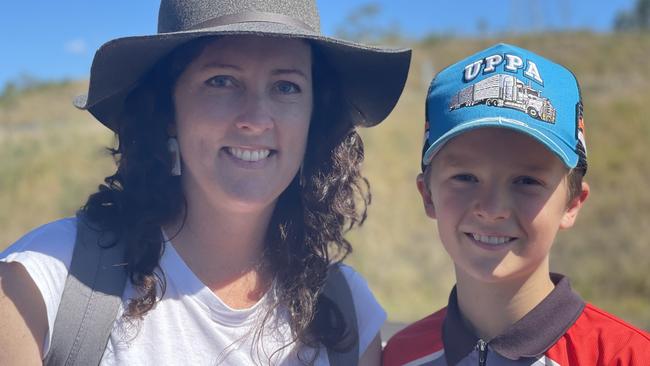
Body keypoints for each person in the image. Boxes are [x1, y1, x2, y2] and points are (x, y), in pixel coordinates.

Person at [0, 0, 411, 365]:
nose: (256, 117)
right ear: (166, 108)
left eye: (286, 86)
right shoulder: (42, 284)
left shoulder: (347, 312)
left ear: (313, 117)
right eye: (222, 81)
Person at [382, 43, 650, 365]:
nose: (493, 208)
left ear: (572, 203)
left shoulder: (627, 356)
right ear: (427, 195)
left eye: (527, 181)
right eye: (465, 177)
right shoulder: (399, 355)